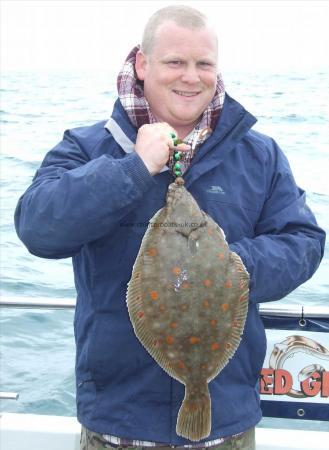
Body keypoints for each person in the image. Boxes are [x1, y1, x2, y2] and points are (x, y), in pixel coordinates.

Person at [14, 5, 325, 450]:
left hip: (228, 424)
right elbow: (38, 228)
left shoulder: (260, 155)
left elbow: (305, 243)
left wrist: (227, 268)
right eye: (175, 61)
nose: (190, 77)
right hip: (117, 426)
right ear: (142, 63)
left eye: (204, 64)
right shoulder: (86, 148)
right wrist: (133, 169)